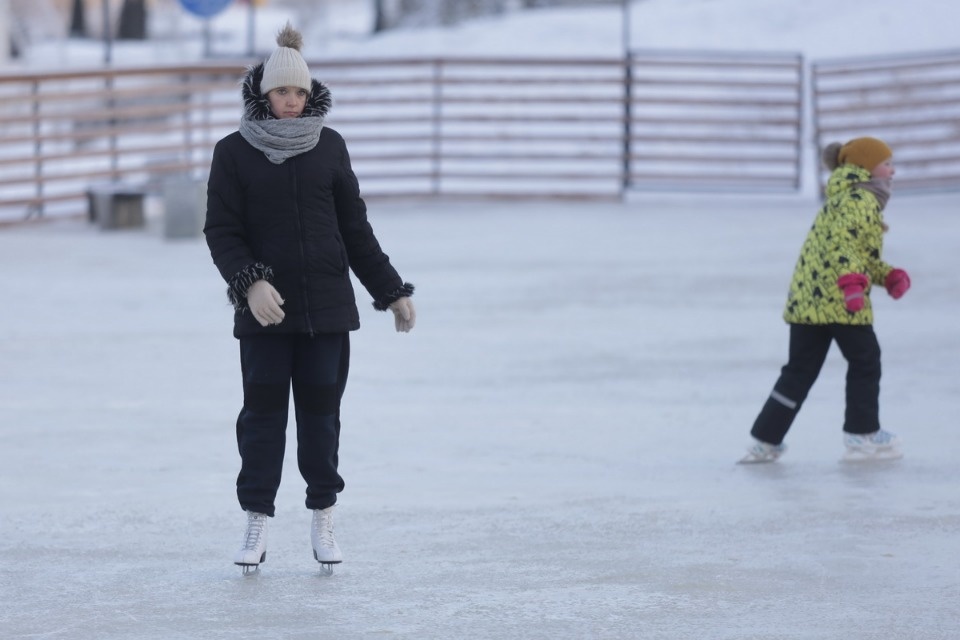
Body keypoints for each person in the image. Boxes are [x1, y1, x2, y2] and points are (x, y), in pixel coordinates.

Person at [203, 23, 416, 573]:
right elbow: (221, 231)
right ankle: (257, 520)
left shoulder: (330, 146)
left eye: (299, 91)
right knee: (262, 419)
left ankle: (323, 515)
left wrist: (390, 289)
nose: (292, 101)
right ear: (263, 93)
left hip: (327, 310)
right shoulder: (233, 153)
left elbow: (355, 229)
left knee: (322, 419)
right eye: (282, 91)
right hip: (265, 314)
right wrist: (250, 282)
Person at [739, 136, 910, 464]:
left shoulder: (844, 196)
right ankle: (862, 434)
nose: (892, 170)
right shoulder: (860, 198)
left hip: (809, 300)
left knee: (799, 370)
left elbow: (857, 253)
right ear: (866, 166)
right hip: (840, 299)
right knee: (866, 360)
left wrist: (886, 275)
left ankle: (765, 440)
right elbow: (844, 246)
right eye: (886, 163)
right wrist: (851, 284)